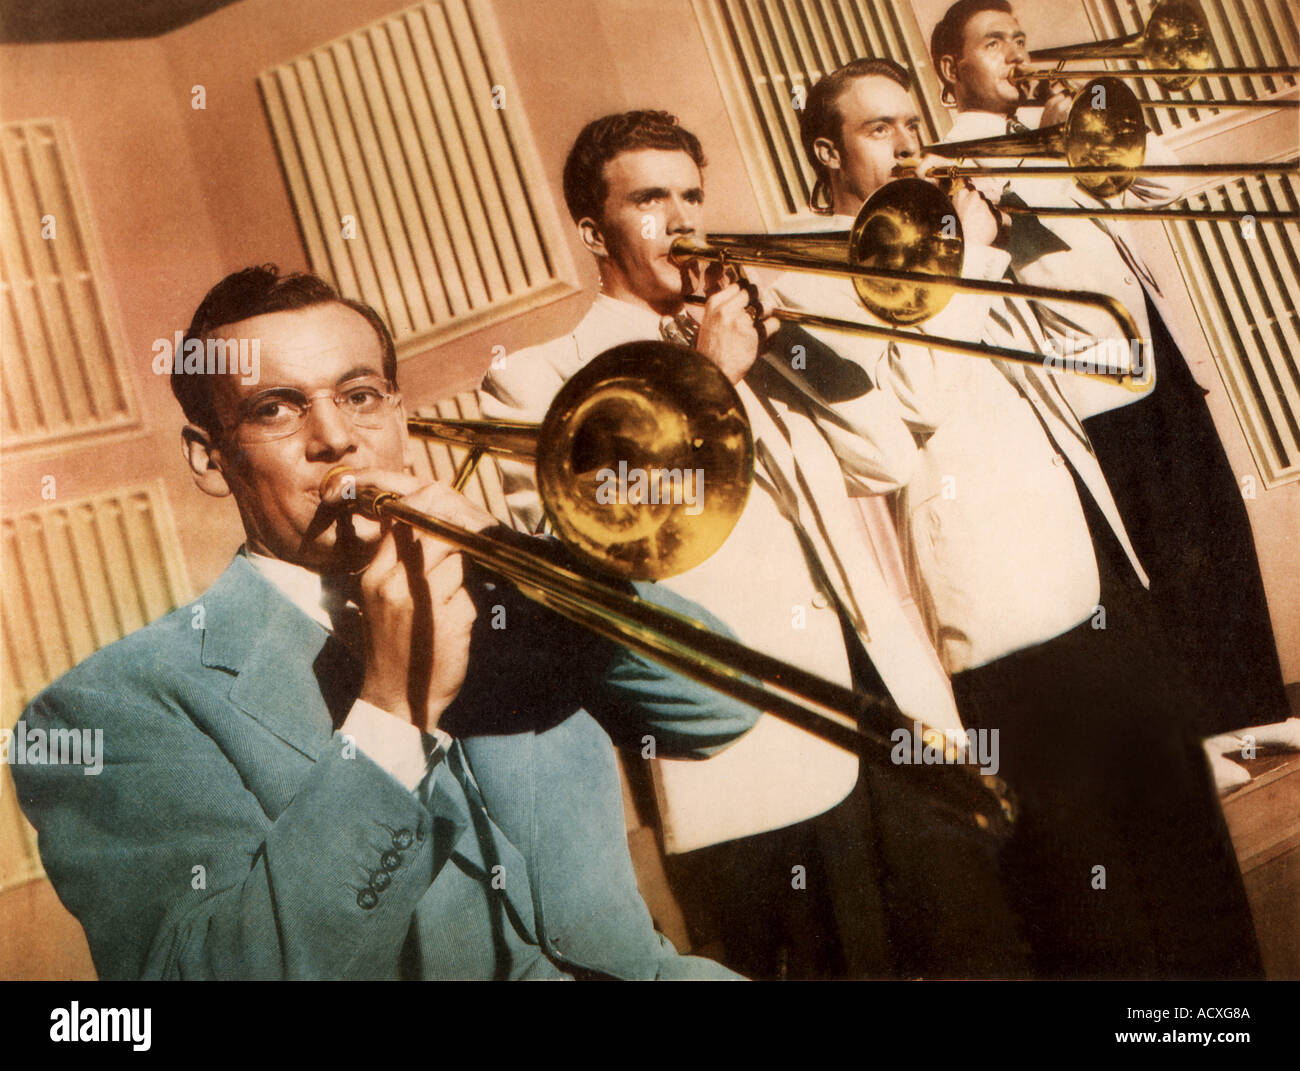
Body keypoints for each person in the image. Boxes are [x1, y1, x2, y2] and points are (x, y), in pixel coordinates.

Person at [11, 265, 761, 981]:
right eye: (277, 407)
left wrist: (523, 562)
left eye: (361, 395)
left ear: (398, 414)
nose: (335, 438)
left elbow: (721, 709)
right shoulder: (108, 708)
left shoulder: (508, 587)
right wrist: (393, 713)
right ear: (211, 459)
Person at [480, 109, 1026, 980]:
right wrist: (707, 378)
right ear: (594, 230)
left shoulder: (752, 335)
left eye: (692, 193)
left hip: (891, 719)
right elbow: (595, 562)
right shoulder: (538, 379)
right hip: (753, 770)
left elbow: (883, 457)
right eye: (650, 198)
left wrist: (793, 344)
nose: (684, 218)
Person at [776, 57, 1263, 979]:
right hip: (999, 624)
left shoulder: (959, 229)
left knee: (1197, 878)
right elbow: (900, 424)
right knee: (1101, 912)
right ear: (826, 151)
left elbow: (1107, 366)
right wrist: (971, 254)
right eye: (879, 128)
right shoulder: (809, 273)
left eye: (912, 121)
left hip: (1096, 576)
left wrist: (1039, 202)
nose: (909, 141)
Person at [929, 0, 1291, 738]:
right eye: (993, 43)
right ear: (950, 68)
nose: (1016, 55)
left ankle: (1257, 711)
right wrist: (1054, 139)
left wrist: (1080, 124)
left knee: (1217, 528)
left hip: (1156, 353)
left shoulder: (1051, 134)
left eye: (1020, 39)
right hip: (1093, 382)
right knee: (1168, 555)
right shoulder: (956, 159)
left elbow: (1163, 185)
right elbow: (1027, 224)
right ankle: (1206, 732)